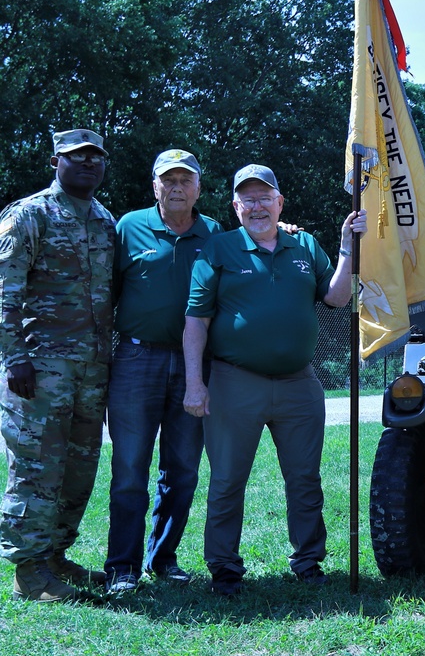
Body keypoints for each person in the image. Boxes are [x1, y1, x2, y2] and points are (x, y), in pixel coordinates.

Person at [182, 164, 366, 596]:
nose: (257, 206)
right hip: (233, 381)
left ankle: (308, 560)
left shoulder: (303, 244)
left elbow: (337, 297)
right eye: (247, 198)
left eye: (265, 197)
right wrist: (196, 383)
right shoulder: (217, 248)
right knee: (227, 480)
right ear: (235, 206)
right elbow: (196, 322)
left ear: (280, 202)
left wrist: (345, 247)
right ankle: (224, 567)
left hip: (299, 384)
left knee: (305, 478)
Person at [0, 128, 116, 601]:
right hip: (39, 370)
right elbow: (4, 292)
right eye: (76, 157)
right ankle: (28, 570)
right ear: (55, 161)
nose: (87, 163)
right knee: (35, 467)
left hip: (92, 367)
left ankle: (54, 556)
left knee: (78, 468)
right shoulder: (29, 215)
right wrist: (15, 358)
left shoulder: (104, 220)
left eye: (95, 157)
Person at [103, 149, 224, 594]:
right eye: (167, 180)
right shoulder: (128, 227)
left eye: (184, 180)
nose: (176, 187)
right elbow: (107, 295)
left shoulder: (214, 233)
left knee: (184, 469)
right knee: (130, 468)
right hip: (137, 360)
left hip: (196, 365)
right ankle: (122, 566)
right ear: (154, 186)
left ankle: (163, 557)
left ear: (198, 188)